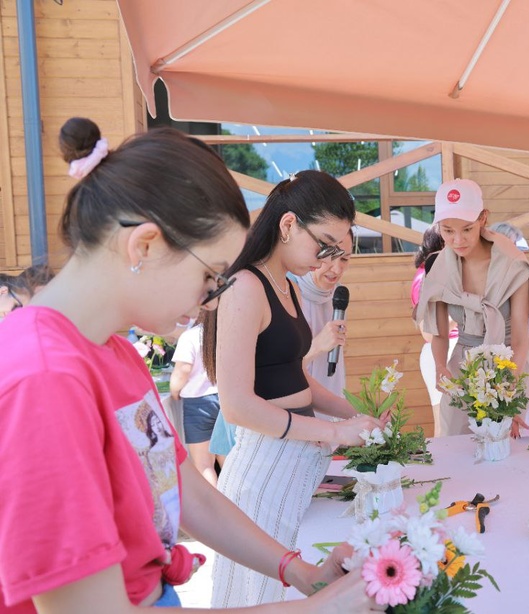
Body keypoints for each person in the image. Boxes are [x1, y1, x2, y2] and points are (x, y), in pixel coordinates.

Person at [0, 117, 380, 612]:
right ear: (145, 246)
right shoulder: (43, 381)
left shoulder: (111, 351)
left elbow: (184, 488)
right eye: (211, 275)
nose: (210, 297)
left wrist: (298, 572)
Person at [202, 170, 383, 607]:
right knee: (261, 597)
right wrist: (336, 433)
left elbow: (295, 381)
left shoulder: (284, 285)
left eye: (338, 251)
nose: (327, 260)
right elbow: (238, 405)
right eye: (323, 245)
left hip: (296, 462)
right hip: (264, 467)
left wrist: (352, 414)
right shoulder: (246, 285)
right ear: (287, 225)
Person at [417, 178, 529, 437]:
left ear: (483, 218)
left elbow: (519, 340)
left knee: (506, 451)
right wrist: (440, 366)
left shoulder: (513, 264)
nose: (457, 240)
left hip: (509, 366)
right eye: (448, 231)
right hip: (461, 366)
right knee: (459, 449)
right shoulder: (437, 267)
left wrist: (506, 392)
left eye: (467, 229)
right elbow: (438, 333)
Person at [294, 227, 355, 402]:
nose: (337, 269)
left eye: (344, 259)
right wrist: (318, 346)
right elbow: (275, 373)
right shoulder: (287, 292)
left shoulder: (338, 295)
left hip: (330, 401)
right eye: (330, 257)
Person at [410, 226, 459, 436]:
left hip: (452, 350)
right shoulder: (425, 278)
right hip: (443, 353)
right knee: (445, 424)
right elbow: (428, 332)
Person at [169, 322, 223, 485]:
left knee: (204, 465)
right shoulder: (224, 331)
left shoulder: (190, 335)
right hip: (224, 399)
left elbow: (183, 370)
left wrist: (174, 391)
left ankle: (214, 509)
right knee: (228, 462)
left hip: (198, 404)